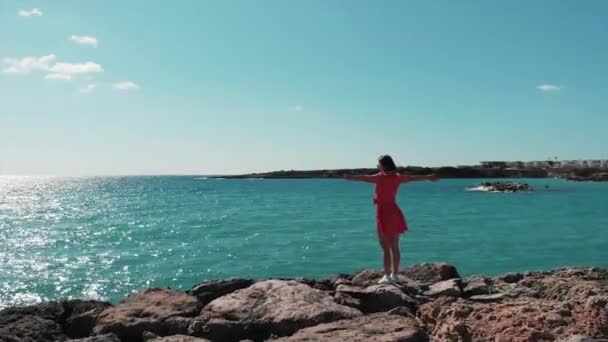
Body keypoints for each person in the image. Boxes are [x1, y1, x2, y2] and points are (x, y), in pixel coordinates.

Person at [344, 155, 439, 284]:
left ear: (384, 165)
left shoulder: (379, 177)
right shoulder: (397, 177)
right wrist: (428, 177)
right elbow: (413, 178)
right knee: (395, 246)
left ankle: (387, 276)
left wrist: (349, 177)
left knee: (385, 247)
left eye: (379, 165)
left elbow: (363, 178)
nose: (377, 167)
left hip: (383, 214)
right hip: (394, 212)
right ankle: (395, 275)